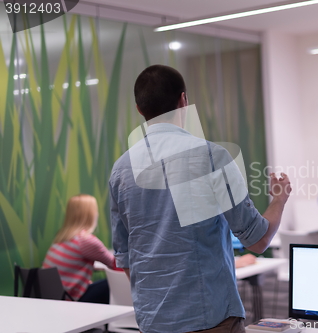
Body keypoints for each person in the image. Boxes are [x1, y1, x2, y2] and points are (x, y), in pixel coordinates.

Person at [109, 65, 291, 333]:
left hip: (153, 322)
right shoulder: (211, 157)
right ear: (184, 101)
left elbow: (124, 258)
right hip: (211, 319)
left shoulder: (121, 170)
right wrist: (279, 199)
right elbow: (258, 240)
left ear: (139, 109)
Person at [43, 194, 115, 303]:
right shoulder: (86, 240)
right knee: (112, 282)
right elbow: (116, 265)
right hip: (70, 300)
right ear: (91, 214)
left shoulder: (63, 236)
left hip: (53, 297)